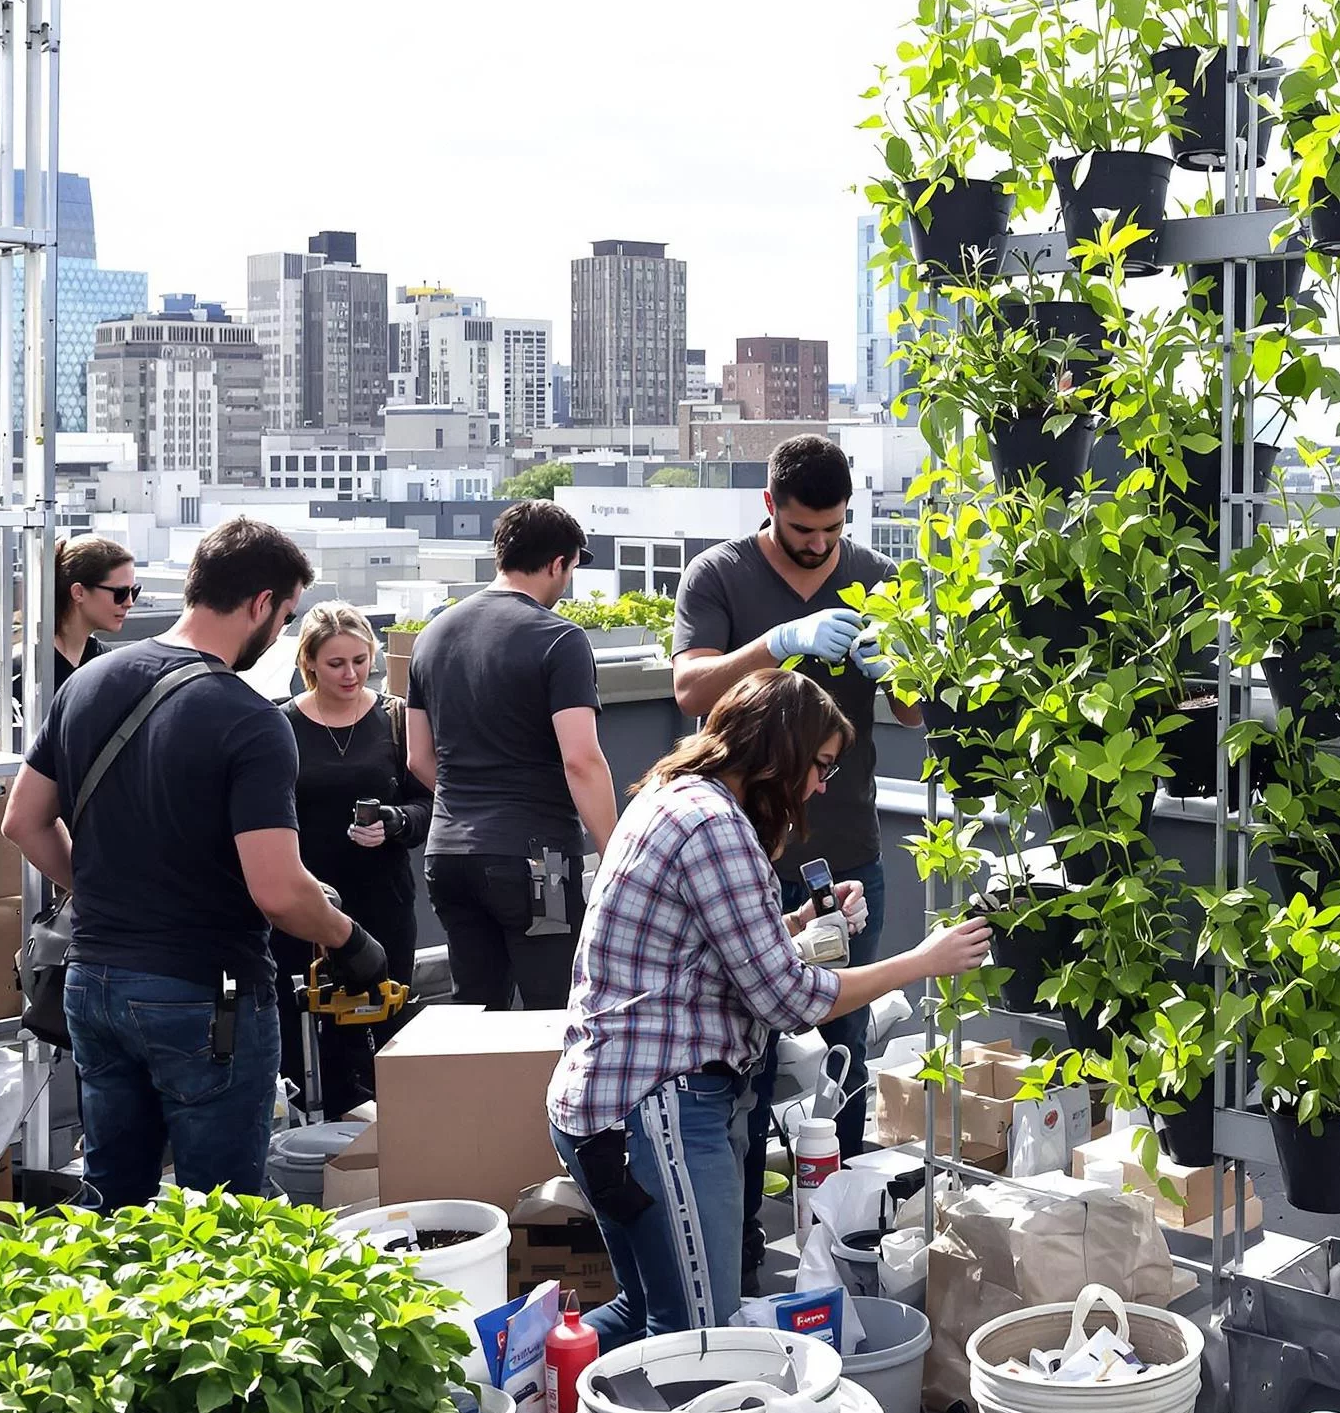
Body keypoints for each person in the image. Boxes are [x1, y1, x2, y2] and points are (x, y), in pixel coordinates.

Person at [547, 669, 992, 1343]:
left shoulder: (672, 796)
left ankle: (516, 1386)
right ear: (780, 748)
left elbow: (705, 950)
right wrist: (923, 960)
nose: (818, 786)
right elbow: (790, 999)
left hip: (608, 1105)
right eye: (819, 766)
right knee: (699, 1336)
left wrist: (796, 923)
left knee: (643, 1314)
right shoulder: (714, 827)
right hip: (658, 1110)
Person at [0, 517, 390, 1209]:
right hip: (205, 995)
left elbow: (23, 821)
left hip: (93, 983)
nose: (279, 634)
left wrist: (99, 891)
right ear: (262, 603)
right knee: (224, 1219)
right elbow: (276, 890)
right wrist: (348, 940)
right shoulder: (250, 720)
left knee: (112, 1206)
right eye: (286, 615)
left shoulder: (91, 681)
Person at [671, 434, 920, 1289]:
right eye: (804, 529)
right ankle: (735, 1243)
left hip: (845, 851)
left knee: (848, 1045)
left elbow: (919, 712)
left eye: (834, 529)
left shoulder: (881, 576)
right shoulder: (721, 576)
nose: (820, 545)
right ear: (770, 506)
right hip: (741, 852)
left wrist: (902, 673)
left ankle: (845, 1240)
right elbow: (691, 692)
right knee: (740, 1056)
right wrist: (778, 640)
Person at [406, 500, 618, 1011]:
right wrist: (617, 849)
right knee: (555, 1013)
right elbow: (581, 760)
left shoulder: (432, 636)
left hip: (448, 857)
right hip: (536, 861)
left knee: (476, 1014)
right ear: (557, 563)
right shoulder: (558, 638)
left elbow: (417, 757)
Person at [276, 603, 432, 1118]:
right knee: (306, 1033)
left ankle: (389, 1142)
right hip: (304, 903)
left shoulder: (395, 718)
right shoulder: (281, 724)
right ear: (310, 663)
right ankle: (319, 1143)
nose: (350, 674)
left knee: (385, 1025)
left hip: (381, 899)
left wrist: (396, 821)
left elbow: (433, 802)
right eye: (337, 663)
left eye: (361, 661)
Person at [0, 533, 137, 723]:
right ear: (78, 592)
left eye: (134, 591)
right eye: (120, 593)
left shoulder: (110, 664)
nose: (129, 603)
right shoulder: (21, 670)